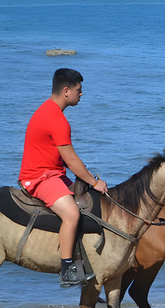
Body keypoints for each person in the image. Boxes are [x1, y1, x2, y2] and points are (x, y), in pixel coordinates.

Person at [19, 68, 109, 288]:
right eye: (79, 90)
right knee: (71, 213)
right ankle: (67, 268)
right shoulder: (56, 119)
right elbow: (71, 160)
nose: (82, 94)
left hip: (53, 173)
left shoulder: (49, 111)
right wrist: (95, 182)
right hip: (38, 178)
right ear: (66, 91)